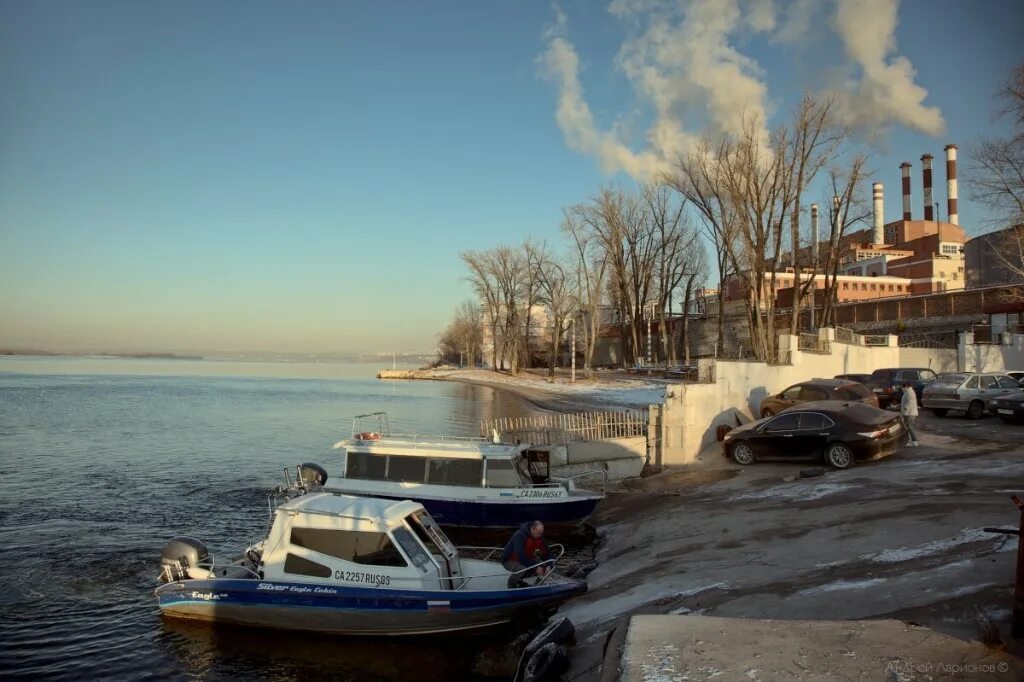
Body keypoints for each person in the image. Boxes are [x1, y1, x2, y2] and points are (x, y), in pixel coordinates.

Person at [502, 520, 551, 587]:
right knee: (522, 568)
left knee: (543, 567)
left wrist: (549, 564)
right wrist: (535, 567)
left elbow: (546, 552)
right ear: (532, 529)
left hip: (527, 558)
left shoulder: (539, 537)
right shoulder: (520, 535)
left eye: (541, 534)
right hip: (510, 560)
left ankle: (536, 584)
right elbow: (520, 555)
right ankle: (511, 584)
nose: (539, 536)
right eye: (538, 533)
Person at [900, 380, 919, 447]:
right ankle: (910, 440)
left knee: (909, 427)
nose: (902, 388)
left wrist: (905, 409)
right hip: (909, 412)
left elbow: (909, 403)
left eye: (903, 386)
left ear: (907, 386)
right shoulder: (908, 392)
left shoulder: (909, 393)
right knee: (908, 427)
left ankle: (914, 441)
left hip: (909, 413)